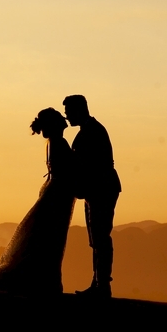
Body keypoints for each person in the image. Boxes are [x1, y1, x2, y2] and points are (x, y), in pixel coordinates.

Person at [0, 108, 77, 295]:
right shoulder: (58, 142)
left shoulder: (53, 142)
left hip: (56, 191)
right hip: (58, 194)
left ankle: (39, 279)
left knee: (44, 236)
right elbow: (67, 169)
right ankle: (41, 280)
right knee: (49, 237)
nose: (64, 121)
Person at [63, 95, 121, 298]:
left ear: (79, 110)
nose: (67, 116)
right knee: (96, 238)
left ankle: (102, 285)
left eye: (69, 112)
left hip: (102, 189)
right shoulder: (89, 131)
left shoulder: (94, 131)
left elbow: (94, 164)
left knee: (100, 237)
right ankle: (98, 283)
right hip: (95, 190)